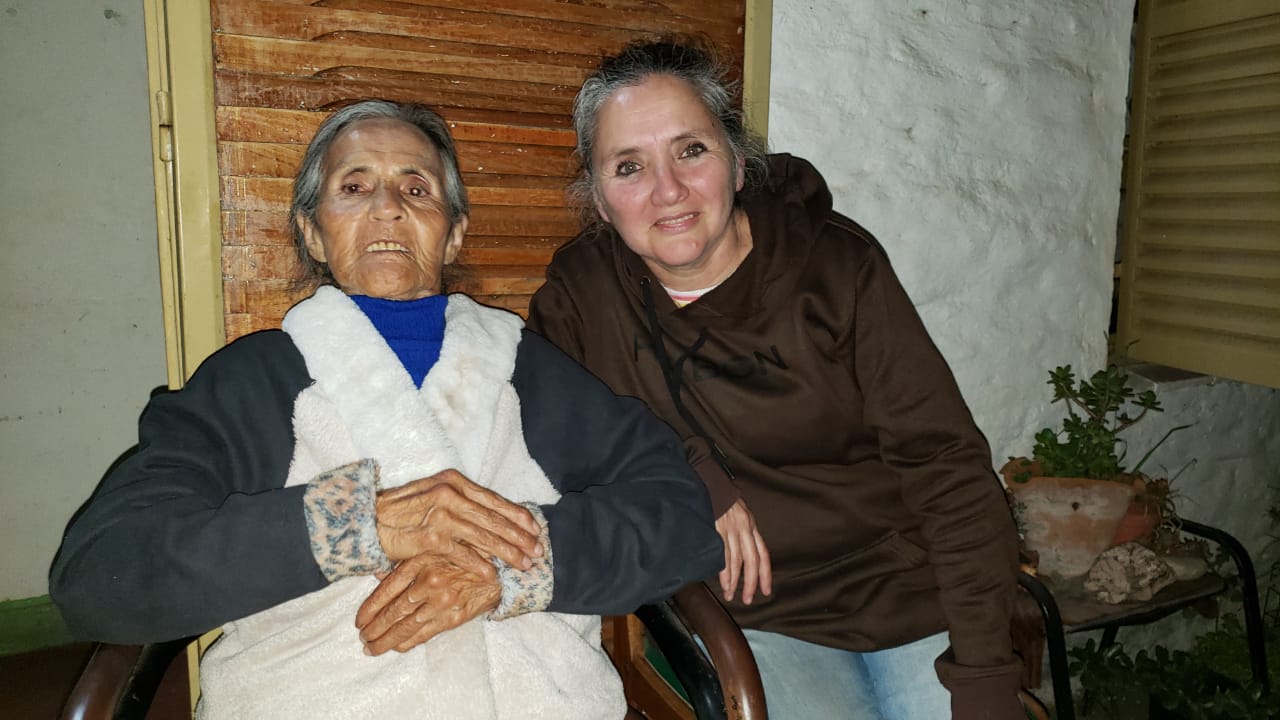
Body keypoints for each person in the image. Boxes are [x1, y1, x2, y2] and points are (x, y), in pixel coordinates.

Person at [49, 99, 723, 720]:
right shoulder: (251, 381)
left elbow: (678, 513)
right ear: (314, 234)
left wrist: (512, 567)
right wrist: (353, 525)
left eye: (416, 188)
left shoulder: (531, 372)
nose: (388, 207)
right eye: (354, 187)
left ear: (452, 234)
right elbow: (101, 571)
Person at [526, 38, 1025, 720]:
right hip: (747, 619)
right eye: (629, 166)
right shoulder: (581, 296)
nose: (667, 190)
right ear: (600, 197)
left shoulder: (836, 266)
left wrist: (986, 674)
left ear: (736, 161)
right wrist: (691, 472)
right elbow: (564, 438)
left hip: (905, 589)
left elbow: (945, 464)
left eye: (691, 150)